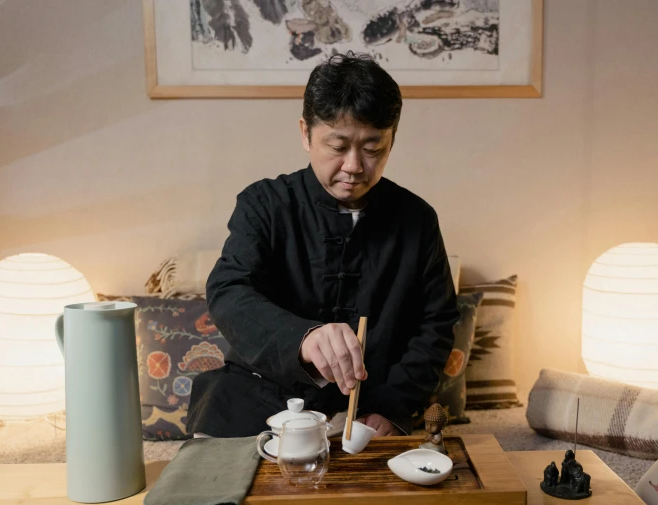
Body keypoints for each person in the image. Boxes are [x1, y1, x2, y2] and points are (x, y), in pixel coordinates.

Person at [186, 51, 459, 438]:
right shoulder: (263, 204)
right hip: (259, 395)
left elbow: (436, 322)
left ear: (392, 140)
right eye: (338, 145)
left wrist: (394, 405)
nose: (354, 165)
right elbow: (229, 291)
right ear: (305, 133)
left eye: (372, 148)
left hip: (369, 406)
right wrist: (305, 338)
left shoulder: (417, 219)